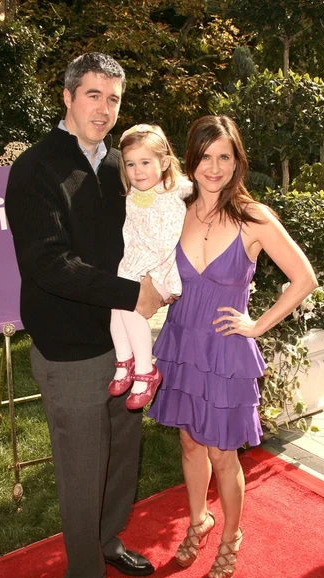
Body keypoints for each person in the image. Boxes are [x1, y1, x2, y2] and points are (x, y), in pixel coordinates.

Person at [5, 52, 164, 578]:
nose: (104, 109)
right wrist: (132, 295)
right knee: (81, 473)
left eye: (114, 98)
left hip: (122, 341)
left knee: (122, 456)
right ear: (68, 97)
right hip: (70, 347)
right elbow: (48, 263)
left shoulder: (122, 169)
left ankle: (107, 539)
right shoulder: (35, 169)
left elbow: (147, 235)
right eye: (93, 95)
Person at [148, 115, 318, 578]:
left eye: (225, 156)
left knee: (223, 454)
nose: (214, 167)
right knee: (188, 442)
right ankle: (198, 520)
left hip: (224, 353)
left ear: (237, 161)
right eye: (206, 156)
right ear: (192, 159)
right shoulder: (175, 212)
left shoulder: (254, 218)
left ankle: (230, 537)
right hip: (182, 344)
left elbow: (303, 279)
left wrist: (256, 325)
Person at [108, 124, 192, 410]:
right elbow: (131, 234)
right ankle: (125, 362)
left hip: (161, 267)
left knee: (130, 310)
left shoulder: (169, 197)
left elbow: (166, 240)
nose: (138, 170)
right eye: (131, 164)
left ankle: (147, 371)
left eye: (145, 162)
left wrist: (142, 271)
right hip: (135, 266)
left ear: (164, 162)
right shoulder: (134, 194)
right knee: (115, 308)